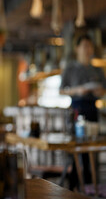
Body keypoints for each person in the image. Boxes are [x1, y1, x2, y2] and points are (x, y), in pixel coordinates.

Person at [59, 34, 106, 190]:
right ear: (77, 48)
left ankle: (91, 185)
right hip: (77, 109)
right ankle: (75, 184)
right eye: (84, 45)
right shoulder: (71, 68)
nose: (87, 49)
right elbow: (61, 90)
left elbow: (103, 90)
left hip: (93, 109)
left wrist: (99, 91)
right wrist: (77, 90)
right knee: (77, 149)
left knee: (92, 148)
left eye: (90, 46)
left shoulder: (97, 69)